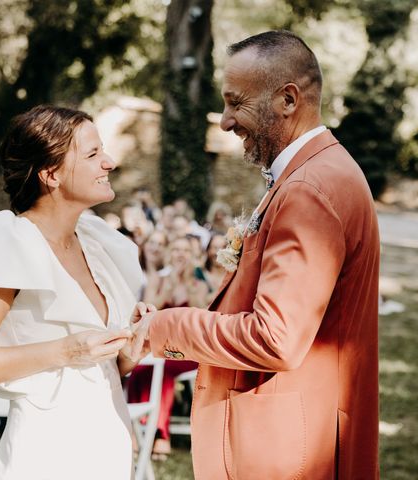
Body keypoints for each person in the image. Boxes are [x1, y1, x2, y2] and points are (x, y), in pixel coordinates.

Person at [131, 31, 380, 479]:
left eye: (236, 103)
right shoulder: (315, 173)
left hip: (287, 450)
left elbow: (275, 337)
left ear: (288, 99)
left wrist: (165, 325)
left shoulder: (309, 189)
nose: (225, 121)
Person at [0, 105, 150, 480]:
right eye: (94, 154)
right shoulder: (7, 242)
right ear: (50, 174)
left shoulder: (97, 242)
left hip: (108, 442)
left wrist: (127, 352)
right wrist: (67, 350)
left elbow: (99, 367)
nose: (109, 162)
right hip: (48, 451)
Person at [129, 235, 205, 458]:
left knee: (164, 372)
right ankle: (134, 430)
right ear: (170, 253)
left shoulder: (198, 282)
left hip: (187, 349)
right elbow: (151, 310)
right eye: (176, 249)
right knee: (138, 368)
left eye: (186, 250)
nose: (181, 254)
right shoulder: (158, 279)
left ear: (192, 255)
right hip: (160, 345)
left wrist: (188, 288)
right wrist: (169, 285)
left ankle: (161, 434)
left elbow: (202, 314)